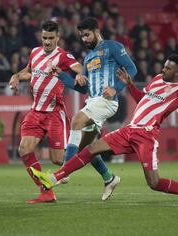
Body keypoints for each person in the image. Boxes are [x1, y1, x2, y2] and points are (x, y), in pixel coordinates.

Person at [31, 46, 178, 206]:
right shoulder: (157, 80)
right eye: (164, 66)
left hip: (146, 136)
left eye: (168, 68)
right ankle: (54, 179)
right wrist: (130, 84)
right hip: (129, 130)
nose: (163, 70)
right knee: (91, 148)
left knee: (154, 183)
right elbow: (142, 99)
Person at [8, 20, 97, 204]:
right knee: (24, 149)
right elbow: (29, 71)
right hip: (35, 112)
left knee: (58, 160)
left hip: (55, 113)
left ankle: (92, 159)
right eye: (44, 37)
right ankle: (46, 192)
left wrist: (80, 74)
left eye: (50, 38)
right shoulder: (35, 52)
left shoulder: (63, 56)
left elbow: (79, 67)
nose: (46, 42)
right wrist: (17, 76)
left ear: (58, 38)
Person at [53, 17, 137, 201]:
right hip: (92, 102)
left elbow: (132, 69)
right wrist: (64, 76)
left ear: (97, 32)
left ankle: (64, 171)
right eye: (82, 36)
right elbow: (83, 88)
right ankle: (109, 178)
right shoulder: (88, 58)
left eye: (87, 35)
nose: (84, 39)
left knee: (76, 120)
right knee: (86, 148)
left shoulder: (113, 47)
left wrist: (116, 87)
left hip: (108, 101)